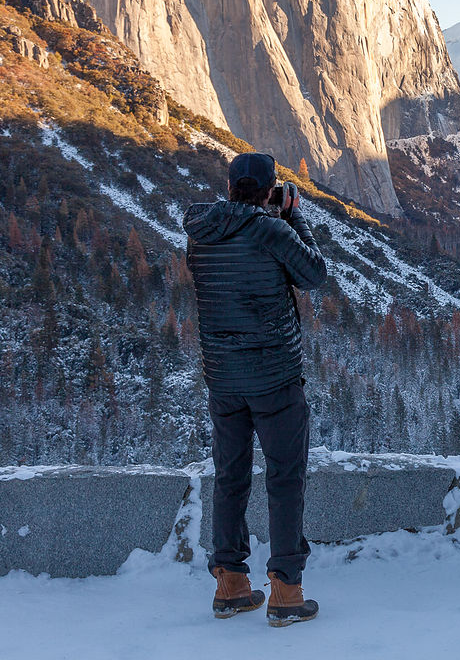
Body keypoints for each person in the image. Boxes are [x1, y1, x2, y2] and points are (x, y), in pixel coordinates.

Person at [184, 152, 327, 625]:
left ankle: (230, 581)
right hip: (274, 378)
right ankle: (285, 590)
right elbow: (314, 275)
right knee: (285, 479)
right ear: (269, 192)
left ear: (228, 187)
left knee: (230, 478)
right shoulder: (271, 230)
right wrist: (293, 218)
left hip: (222, 380)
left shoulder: (200, 234)